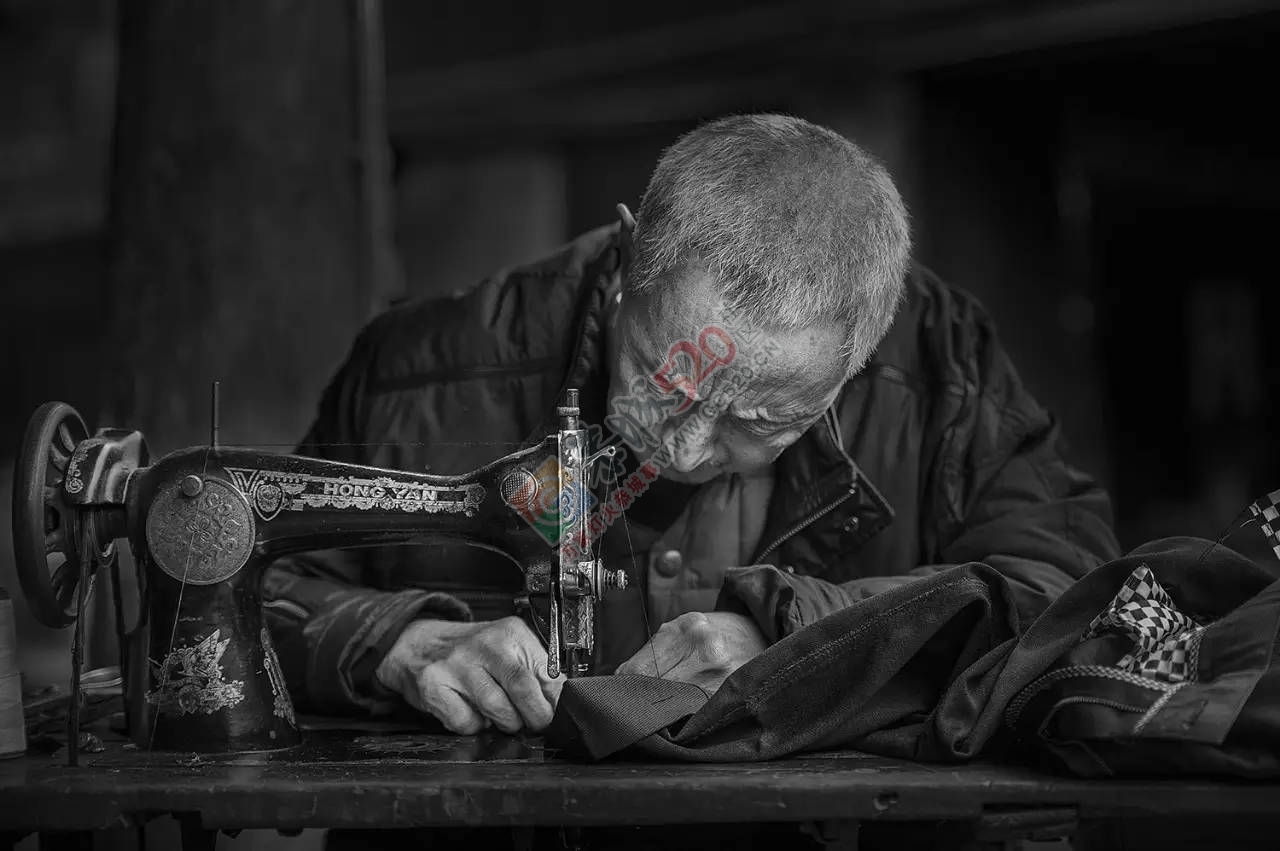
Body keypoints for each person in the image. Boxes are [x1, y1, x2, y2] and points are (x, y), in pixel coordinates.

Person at [262, 113, 1120, 738]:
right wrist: (397, 641)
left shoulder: (945, 367)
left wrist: (801, 637)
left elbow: (1067, 592)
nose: (678, 444)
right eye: (660, 378)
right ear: (634, 257)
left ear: (860, 356)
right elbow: (254, 586)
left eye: (756, 422)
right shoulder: (418, 370)